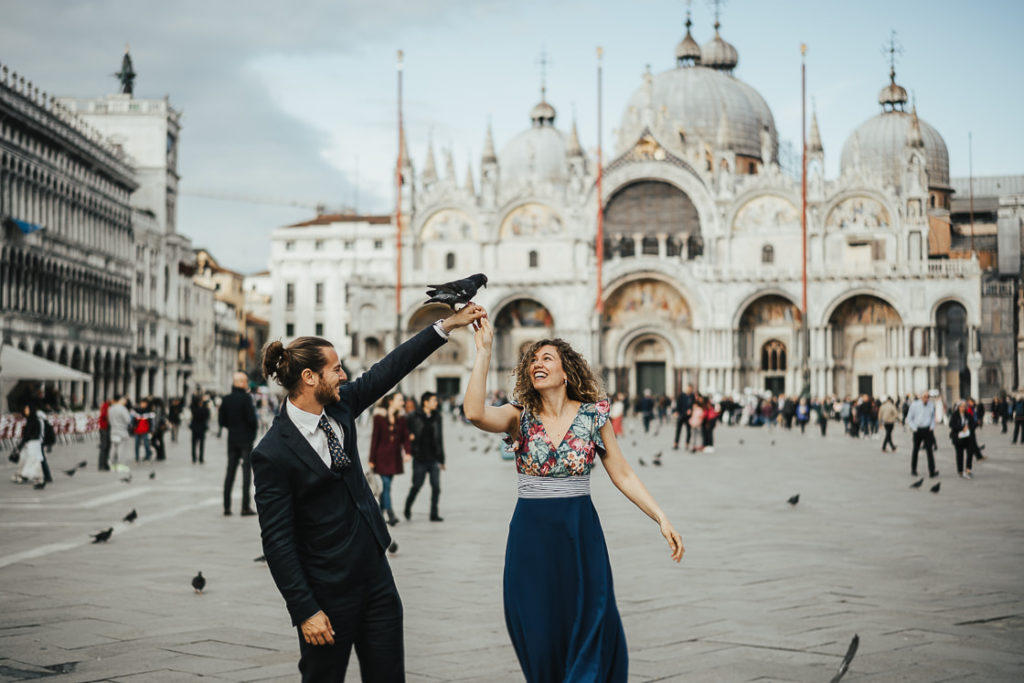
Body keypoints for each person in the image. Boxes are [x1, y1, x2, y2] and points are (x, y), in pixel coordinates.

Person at [252, 304, 484, 682]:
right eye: (336, 369)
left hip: (376, 578)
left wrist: (446, 326)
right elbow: (277, 541)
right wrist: (305, 610)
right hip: (326, 590)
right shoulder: (273, 452)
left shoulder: (341, 407)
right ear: (309, 378)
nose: (344, 375)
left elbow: (391, 367)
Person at [463, 316, 683, 682]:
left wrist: (661, 517)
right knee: (539, 626)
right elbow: (474, 413)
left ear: (567, 372)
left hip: (580, 533)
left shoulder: (593, 416)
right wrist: (483, 351)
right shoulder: (519, 416)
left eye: (547, 358)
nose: (537, 363)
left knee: (590, 617)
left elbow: (623, 473)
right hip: (531, 537)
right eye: (533, 360)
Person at [219, 372, 259, 516]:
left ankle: (227, 506)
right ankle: (244, 507)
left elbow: (221, 421)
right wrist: (252, 431)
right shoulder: (246, 399)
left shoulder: (226, 399)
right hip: (246, 440)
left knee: (230, 472)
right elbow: (252, 420)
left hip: (232, 439)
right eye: (246, 381)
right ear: (241, 383)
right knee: (246, 472)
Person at [368, 392, 410, 526]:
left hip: (395, 457)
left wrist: (408, 452)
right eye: (400, 400)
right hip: (381, 456)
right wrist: (371, 458)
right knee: (386, 485)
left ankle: (379, 513)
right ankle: (391, 514)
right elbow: (375, 438)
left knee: (387, 486)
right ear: (391, 401)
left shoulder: (401, 417)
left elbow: (405, 436)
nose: (402, 402)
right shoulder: (379, 417)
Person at [404, 391, 446, 522]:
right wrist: (409, 438)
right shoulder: (413, 416)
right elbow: (403, 431)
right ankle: (407, 507)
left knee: (436, 487)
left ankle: (434, 513)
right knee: (416, 486)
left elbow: (440, 438)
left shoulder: (437, 416)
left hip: (433, 458)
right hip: (419, 458)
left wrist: (442, 459)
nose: (436, 403)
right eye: (434, 400)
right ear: (425, 402)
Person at [906, 391, 938, 478]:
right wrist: (914, 428)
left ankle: (932, 471)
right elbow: (909, 418)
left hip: (928, 430)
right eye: (924, 397)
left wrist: (932, 426)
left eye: (927, 397)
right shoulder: (915, 405)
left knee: (929, 451)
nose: (926, 399)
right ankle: (913, 469)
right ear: (921, 397)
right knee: (915, 449)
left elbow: (932, 417)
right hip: (918, 430)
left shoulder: (931, 405)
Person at [11, 403, 45, 486]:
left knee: (32, 459)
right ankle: (37, 476)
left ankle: (24, 475)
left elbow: (31, 434)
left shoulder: (34, 421)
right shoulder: (31, 420)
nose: (25, 411)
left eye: (27, 409)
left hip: (33, 443)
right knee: (27, 458)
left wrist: (25, 441)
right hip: (31, 443)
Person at [948, 401, 978, 479]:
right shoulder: (955, 415)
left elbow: (973, 424)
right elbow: (951, 425)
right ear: (958, 407)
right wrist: (961, 428)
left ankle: (968, 469)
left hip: (968, 437)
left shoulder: (968, 415)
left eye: (964, 406)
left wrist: (969, 427)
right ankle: (960, 470)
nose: (963, 408)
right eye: (961, 406)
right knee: (959, 454)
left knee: (970, 452)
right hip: (958, 437)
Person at [107, 395, 132, 471]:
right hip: (122, 431)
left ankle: (112, 464)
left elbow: (109, 419)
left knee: (114, 448)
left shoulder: (111, 408)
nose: (125, 402)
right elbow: (128, 420)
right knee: (122, 449)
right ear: (120, 400)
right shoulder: (123, 409)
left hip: (113, 431)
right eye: (124, 400)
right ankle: (121, 465)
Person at [672, 383, 695, 450]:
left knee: (689, 431)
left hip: (688, 416)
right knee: (678, 430)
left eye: (691, 389)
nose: (689, 390)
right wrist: (676, 412)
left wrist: (691, 410)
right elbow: (678, 404)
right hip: (681, 415)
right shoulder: (681, 395)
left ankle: (687, 444)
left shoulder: (692, 396)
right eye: (689, 388)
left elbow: (693, 405)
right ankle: (676, 444)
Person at [189, 393, 211, 464]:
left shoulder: (204, 407)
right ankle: (194, 458)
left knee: (201, 444)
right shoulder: (194, 407)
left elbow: (207, 415)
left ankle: (201, 458)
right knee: (194, 444)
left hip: (202, 427)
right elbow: (198, 414)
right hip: (196, 427)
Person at [97, 397, 111, 471]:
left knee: (107, 447)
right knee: (104, 447)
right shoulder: (106, 406)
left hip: (105, 428)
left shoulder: (107, 406)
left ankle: (105, 464)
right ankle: (102, 465)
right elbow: (106, 416)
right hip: (104, 428)